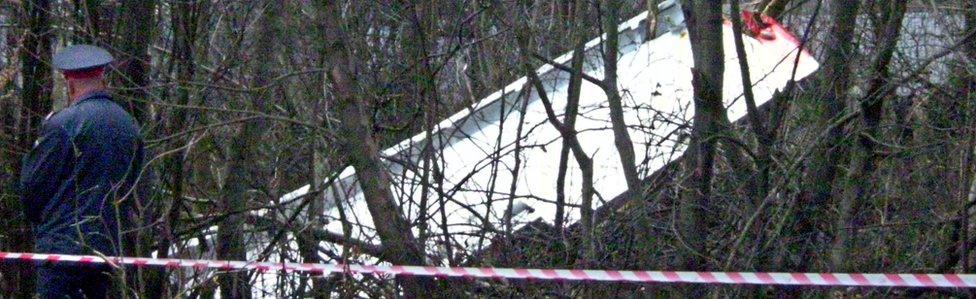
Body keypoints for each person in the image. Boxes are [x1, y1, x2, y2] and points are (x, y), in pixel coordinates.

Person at [19, 44, 144, 298]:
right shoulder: (129, 125)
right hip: (108, 245)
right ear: (102, 78)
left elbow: (32, 189)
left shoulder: (62, 124)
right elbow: (136, 184)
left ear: (69, 82)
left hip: (61, 248)